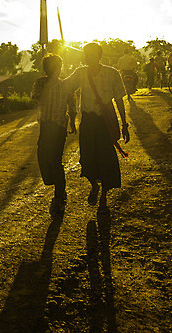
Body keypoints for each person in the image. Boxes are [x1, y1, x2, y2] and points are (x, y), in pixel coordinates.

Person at [67, 42, 130, 213]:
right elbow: (66, 88)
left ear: (98, 56)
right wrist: (71, 115)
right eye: (85, 54)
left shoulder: (112, 73)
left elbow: (119, 100)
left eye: (90, 54)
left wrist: (124, 124)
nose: (86, 57)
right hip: (87, 121)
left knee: (106, 158)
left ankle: (103, 195)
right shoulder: (80, 73)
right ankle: (94, 185)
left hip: (104, 121)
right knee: (86, 158)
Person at [31, 54, 76, 215]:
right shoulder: (40, 83)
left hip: (58, 127)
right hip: (46, 125)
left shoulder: (64, 85)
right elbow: (35, 99)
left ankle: (59, 197)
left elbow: (72, 102)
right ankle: (57, 186)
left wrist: (72, 120)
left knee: (55, 161)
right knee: (43, 156)